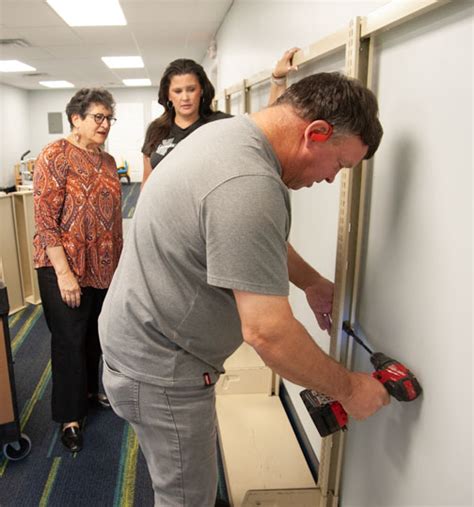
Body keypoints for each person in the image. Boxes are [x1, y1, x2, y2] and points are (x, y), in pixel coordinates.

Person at [98, 71, 389, 506]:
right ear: (317, 133)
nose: (332, 179)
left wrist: (309, 282)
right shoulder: (248, 183)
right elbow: (267, 332)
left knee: (182, 479)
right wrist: (350, 389)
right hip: (161, 368)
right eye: (340, 164)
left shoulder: (230, 136)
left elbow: (247, 237)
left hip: (142, 342)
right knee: (184, 497)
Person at [33, 88, 123, 453]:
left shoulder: (107, 160)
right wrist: (64, 274)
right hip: (63, 266)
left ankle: (87, 390)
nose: (104, 125)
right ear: (76, 119)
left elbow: (113, 217)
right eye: (97, 118)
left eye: (108, 118)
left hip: (102, 267)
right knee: (69, 341)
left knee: (94, 336)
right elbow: (45, 220)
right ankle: (70, 417)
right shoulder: (55, 155)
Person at [141, 48, 299, 187]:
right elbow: (147, 181)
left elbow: (267, 129)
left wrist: (278, 79)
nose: (185, 97)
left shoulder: (222, 124)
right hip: (165, 216)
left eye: (191, 89)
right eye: (178, 91)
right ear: (168, 95)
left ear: (201, 90)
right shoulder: (156, 129)